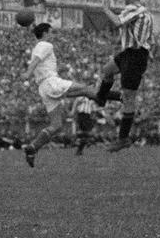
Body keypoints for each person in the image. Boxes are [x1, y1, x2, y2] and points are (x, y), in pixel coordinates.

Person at [22, 23, 118, 168]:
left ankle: (33, 148)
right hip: (51, 83)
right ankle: (115, 97)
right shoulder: (45, 44)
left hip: (44, 87)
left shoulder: (39, 47)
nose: (53, 35)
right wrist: (27, 73)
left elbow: (39, 62)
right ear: (45, 33)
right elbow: (35, 61)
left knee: (56, 125)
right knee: (86, 89)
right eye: (51, 32)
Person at [95, 0, 153, 152]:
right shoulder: (144, 12)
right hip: (130, 53)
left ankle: (123, 138)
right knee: (107, 71)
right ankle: (102, 97)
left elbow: (118, 22)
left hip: (135, 55)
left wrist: (105, 8)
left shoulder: (134, 9)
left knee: (129, 97)